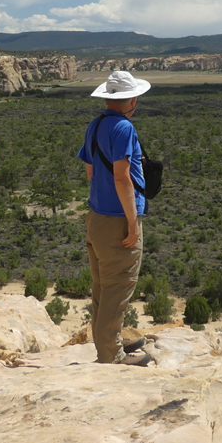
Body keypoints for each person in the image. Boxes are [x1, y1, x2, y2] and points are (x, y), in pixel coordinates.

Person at [76, 70, 151, 366]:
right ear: (129, 100)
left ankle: (109, 340)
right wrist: (132, 222)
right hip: (117, 219)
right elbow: (122, 178)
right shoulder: (123, 129)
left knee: (102, 287)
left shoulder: (95, 125)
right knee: (118, 286)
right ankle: (110, 354)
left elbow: (90, 170)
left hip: (96, 216)